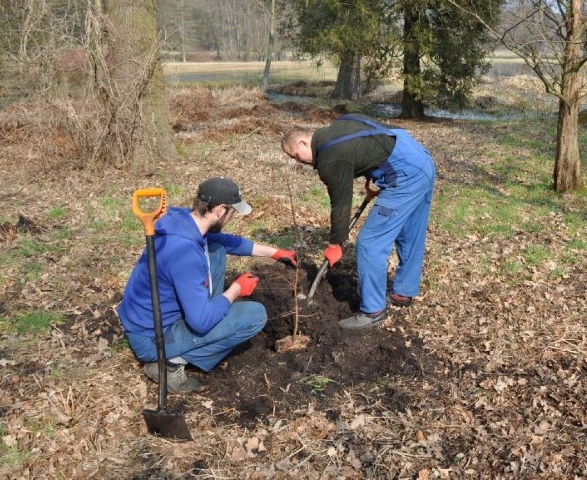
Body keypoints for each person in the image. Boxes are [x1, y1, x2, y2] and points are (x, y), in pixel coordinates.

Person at [118, 177, 297, 393]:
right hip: (153, 337)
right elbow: (201, 322)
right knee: (255, 314)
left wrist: (274, 253)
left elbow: (224, 240)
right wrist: (236, 290)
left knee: (216, 250)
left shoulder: (184, 221)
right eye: (232, 212)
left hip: (146, 318)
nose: (232, 217)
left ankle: (208, 309)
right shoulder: (185, 256)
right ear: (220, 210)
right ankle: (170, 364)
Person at [282, 114, 436, 330]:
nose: (300, 162)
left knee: (369, 242)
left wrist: (335, 244)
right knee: (409, 231)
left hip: (405, 175)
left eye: (297, 156)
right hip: (417, 156)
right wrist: (374, 176)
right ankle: (403, 292)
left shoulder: (329, 158)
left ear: (302, 142)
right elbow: (365, 140)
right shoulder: (337, 126)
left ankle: (373, 311)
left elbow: (341, 204)